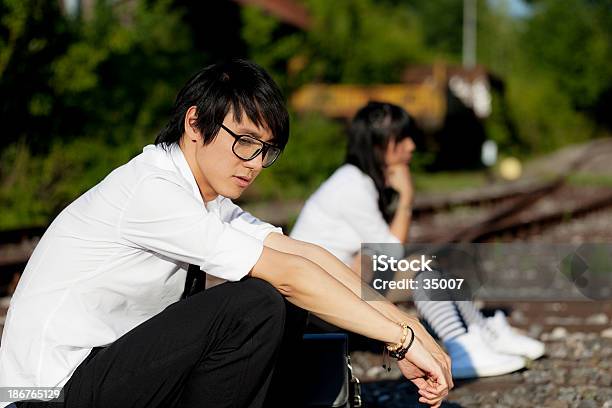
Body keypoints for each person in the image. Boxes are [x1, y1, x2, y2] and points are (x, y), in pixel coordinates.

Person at [0, 61, 452, 408]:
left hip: (103, 372)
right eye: (245, 142)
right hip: (48, 393)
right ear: (195, 124)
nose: (255, 162)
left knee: (282, 302)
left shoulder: (204, 198)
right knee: (257, 302)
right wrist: (401, 341)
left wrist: (407, 325)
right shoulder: (152, 190)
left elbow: (303, 254)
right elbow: (289, 273)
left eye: (266, 150)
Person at [291, 101, 545, 379]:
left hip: (334, 291)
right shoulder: (351, 186)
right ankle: (460, 348)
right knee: (421, 268)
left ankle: (480, 331)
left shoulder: (357, 181)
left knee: (429, 261)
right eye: (402, 139)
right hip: (315, 309)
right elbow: (391, 252)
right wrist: (406, 200)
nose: (411, 146)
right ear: (377, 145)